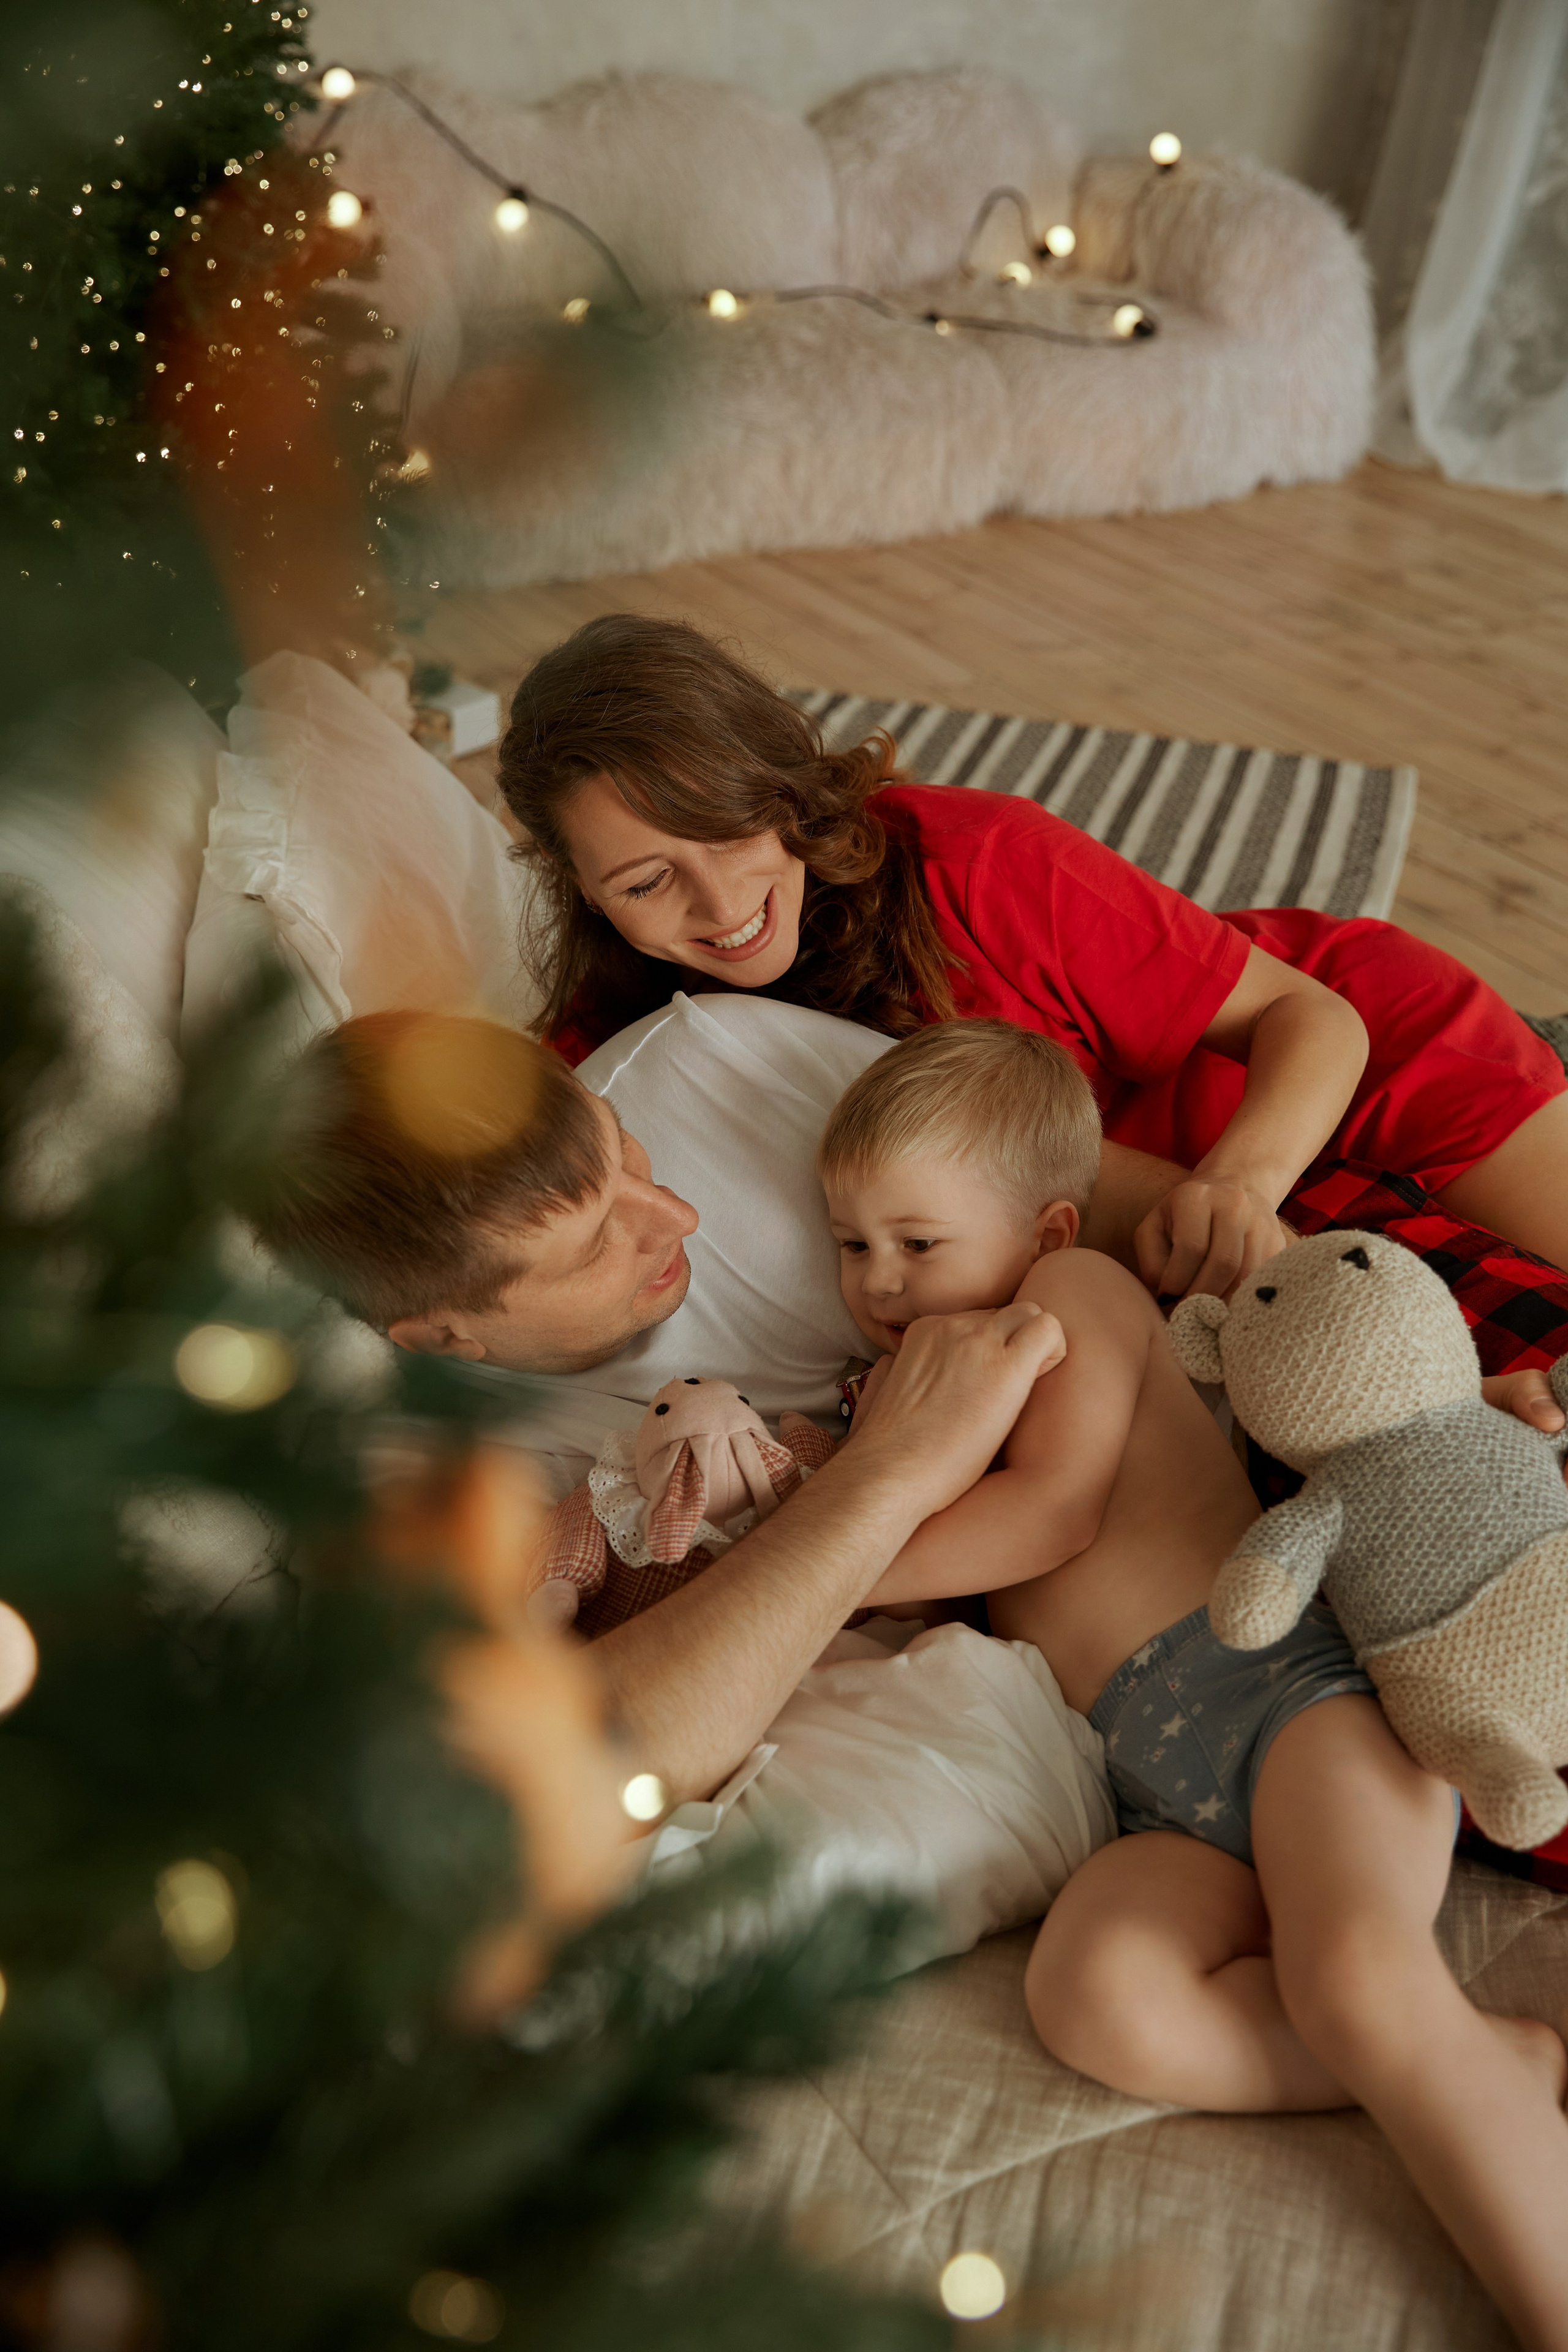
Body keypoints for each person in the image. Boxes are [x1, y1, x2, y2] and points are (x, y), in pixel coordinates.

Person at [816, 1018, 1568, 2352]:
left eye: (916, 1242)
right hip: (1153, 1793)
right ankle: (1466, 2055)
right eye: (849, 1244)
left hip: (1292, 1705)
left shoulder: (1071, 1304)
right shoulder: (905, 1393)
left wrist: (811, 1550)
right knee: (1096, 1996)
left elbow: (1046, 1519)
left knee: (1349, 1974)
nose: (877, 1281)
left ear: (1049, 1229)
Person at [497, 613, 1568, 1297]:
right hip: (1150, 1203)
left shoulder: (978, 856)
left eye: (733, 832)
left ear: (784, 789)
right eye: (644, 881)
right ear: (580, 890)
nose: (721, 904)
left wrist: (1242, 1186)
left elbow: (1311, 1018)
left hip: (1352, 1061)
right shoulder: (622, 1045)